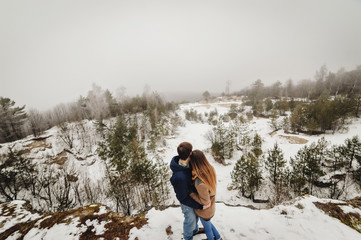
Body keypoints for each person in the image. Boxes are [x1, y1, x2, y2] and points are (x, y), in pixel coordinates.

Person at [170, 142, 209, 240]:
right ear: (190, 153)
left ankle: (195, 230)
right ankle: (188, 237)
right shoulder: (179, 177)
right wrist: (199, 205)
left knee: (195, 215)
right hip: (186, 200)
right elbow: (182, 197)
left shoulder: (189, 163)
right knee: (190, 219)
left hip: (191, 194)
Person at [189, 150, 222, 240]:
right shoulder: (210, 168)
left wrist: (191, 194)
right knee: (208, 224)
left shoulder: (199, 182)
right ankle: (218, 237)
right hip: (211, 208)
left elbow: (205, 201)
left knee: (207, 229)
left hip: (205, 211)